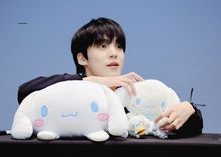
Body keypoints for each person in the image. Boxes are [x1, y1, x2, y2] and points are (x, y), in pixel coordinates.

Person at [17, 17, 203, 138]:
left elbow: (174, 127)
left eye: (119, 47)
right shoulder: (66, 93)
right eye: (103, 46)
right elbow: (25, 91)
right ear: (82, 58)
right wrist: (88, 81)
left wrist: (190, 109)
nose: (114, 53)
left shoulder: (133, 94)